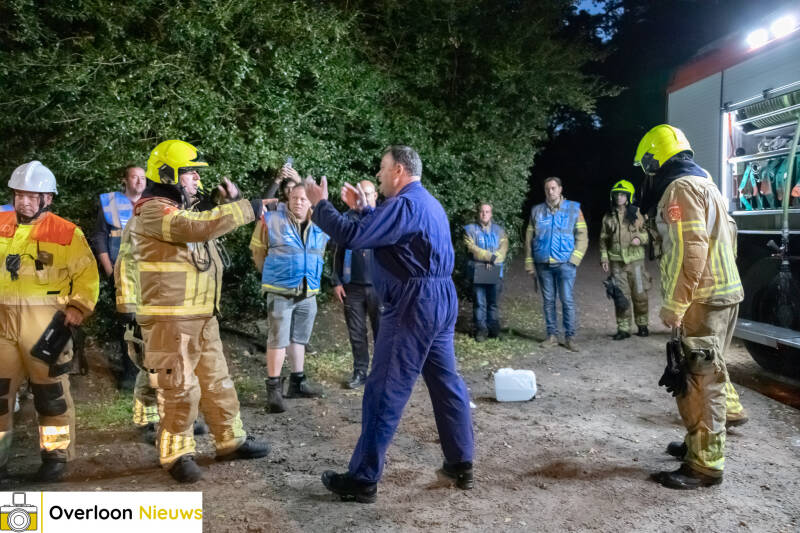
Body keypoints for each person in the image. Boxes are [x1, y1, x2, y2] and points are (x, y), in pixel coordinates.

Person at [305, 145, 475, 504]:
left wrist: (321, 205)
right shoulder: (426, 202)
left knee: (384, 389)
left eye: (382, 169)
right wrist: (364, 209)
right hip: (441, 299)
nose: (378, 176)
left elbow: (351, 238)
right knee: (446, 383)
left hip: (414, 303)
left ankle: (363, 479)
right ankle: (461, 463)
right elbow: (387, 234)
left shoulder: (405, 204)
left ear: (398, 170)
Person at [115, 139, 270, 483]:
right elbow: (196, 227)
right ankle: (176, 454)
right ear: (169, 174)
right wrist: (247, 208)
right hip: (171, 318)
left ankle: (230, 440)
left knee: (217, 383)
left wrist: (224, 204)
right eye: (190, 174)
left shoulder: (180, 208)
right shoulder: (153, 209)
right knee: (179, 389)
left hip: (200, 315)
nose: (197, 180)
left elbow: (200, 222)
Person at [635, 124, 748, 489]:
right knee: (709, 374)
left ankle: (704, 466)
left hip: (701, 300)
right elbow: (727, 237)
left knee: (699, 384)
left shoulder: (679, 188)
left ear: (655, 159)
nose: (647, 174)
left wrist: (676, 303)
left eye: (647, 166)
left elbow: (690, 251)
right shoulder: (705, 183)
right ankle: (697, 443)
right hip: (723, 294)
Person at [0, 160, 99, 481]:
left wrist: (78, 308)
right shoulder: (0, 222)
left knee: (51, 396)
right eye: (18, 194)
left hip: (46, 325)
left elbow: (87, 276)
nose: (23, 201)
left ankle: (55, 457)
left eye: (31, 196)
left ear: (48, 199)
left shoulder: (67, 232)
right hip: (2, 325)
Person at [249, 184, 328, 413]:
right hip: (280, 289)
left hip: (308, 290)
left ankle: (297, 382)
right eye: (295, 198)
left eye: (303, 199)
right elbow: (258, 252)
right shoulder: (272, 219)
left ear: (310, 202)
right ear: (288, 198)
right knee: (278, 339)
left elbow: (321, 252)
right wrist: (273, 275)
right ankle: (273, 389)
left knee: (298, 339)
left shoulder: (320, 224)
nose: (299, 202)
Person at [89, 165, 147, 389]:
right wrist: (109, 270)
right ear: (125, 180)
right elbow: (100, 237)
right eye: (134, 177)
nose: (139, 181)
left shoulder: (153, 203)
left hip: (151, 274)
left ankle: (150, 371)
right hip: (122, 274)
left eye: (142, 177)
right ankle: (130, 373)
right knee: (128, 324)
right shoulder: (111, 203)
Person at [524, 177, 588, 352]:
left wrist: (574, 260)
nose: (550, 192)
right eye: (547, 189)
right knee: (548, 301)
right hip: (543, 264)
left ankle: (570, 337)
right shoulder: (536, 211)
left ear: (560, 189)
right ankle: (552, 336)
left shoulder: (574, 209)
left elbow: (582, 237)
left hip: (565, 264)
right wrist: (529, 262)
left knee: (567, 300)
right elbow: (529, 238)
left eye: (553, 188)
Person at [331, 180, 381, 389]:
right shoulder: (346, 219)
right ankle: (360, 372)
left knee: (383, 332)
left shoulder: (383, 218)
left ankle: (381, 374)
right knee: (356, 332)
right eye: (361, 193)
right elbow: (335, 252)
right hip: (352, 286)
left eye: (368, 194)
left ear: (376, 195)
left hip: (380, 287)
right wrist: (336, 281)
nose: (365, 197)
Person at [598, 180, 650, 340]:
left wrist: (639, 239)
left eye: (622, 194)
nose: (619, 197)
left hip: (636, 262)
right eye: (616, 194)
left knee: (640, 294)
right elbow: (603, 239)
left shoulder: (636, 214)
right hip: (617, 262)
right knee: (621, 295)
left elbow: (648, 234)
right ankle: (623, 328)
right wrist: (604, 257)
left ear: (628, 196)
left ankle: (642, 325)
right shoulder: (608, 216)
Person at [464, 203, 508, 342]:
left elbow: (503, 249)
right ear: (478, 213)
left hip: (495, 271)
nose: (484, 214)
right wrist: (490, 257)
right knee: (479, 302)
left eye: (487, 211)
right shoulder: (469, 230)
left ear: (491, 214)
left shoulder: (499, 230)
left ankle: (494, 330)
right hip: (478, 270)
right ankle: (481, 330)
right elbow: (472, 248)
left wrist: (492, 260)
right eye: (482, 211)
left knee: (493, 302)